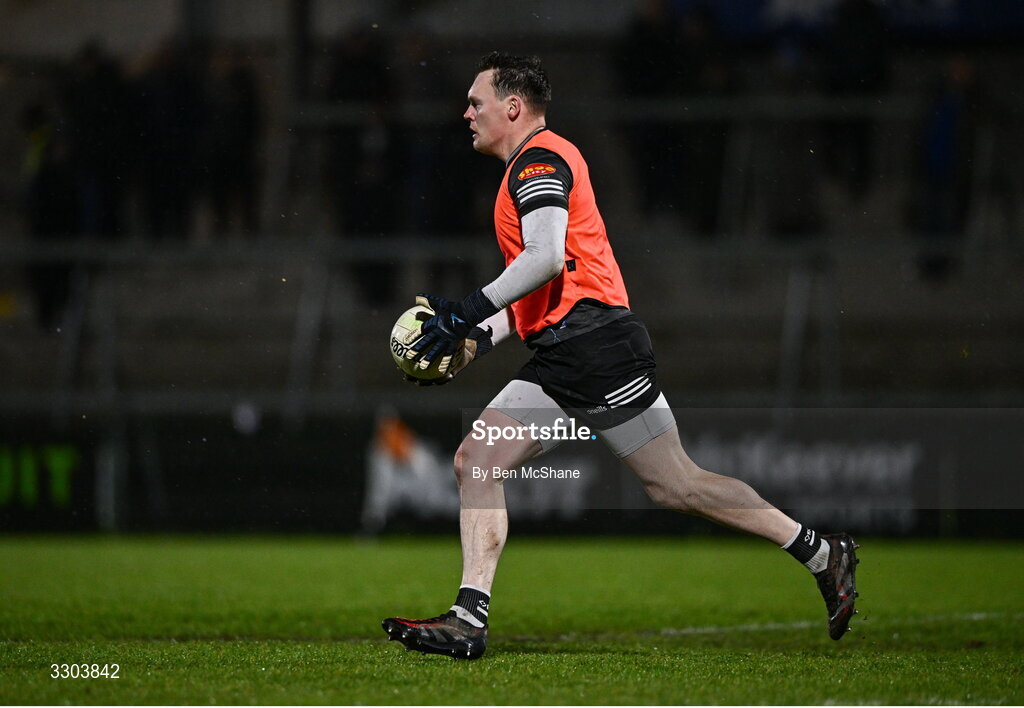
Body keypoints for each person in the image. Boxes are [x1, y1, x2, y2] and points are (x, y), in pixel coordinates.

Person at [381, 53, 859, 660]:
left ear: (513, 107)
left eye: (476, 101)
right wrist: (475, 340)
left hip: (596, 350)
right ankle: (468, 619)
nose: (466, 112)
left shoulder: (540, 159)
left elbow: (547, 258)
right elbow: (543, 284)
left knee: (676, 485)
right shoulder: (530, 164)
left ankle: (822, 552)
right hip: (568, 352)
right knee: (480, 459)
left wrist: (465, 311)